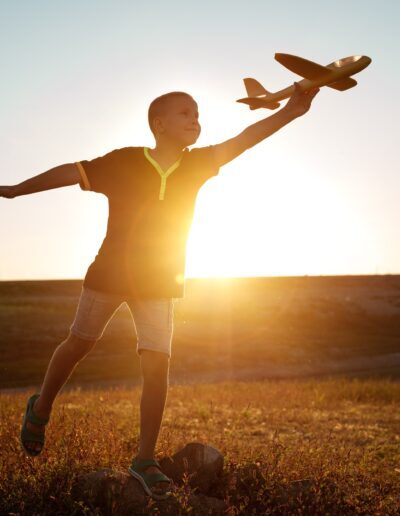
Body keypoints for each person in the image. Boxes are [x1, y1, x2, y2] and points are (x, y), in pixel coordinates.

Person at [0, 82, 319, 499]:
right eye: (185, 113)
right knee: (79, 343)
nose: (195, 120)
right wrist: (15, 190)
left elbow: (245, 138)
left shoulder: (199, 163)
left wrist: (292, 111)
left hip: (159, 281)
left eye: (198, 114)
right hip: (109, 274)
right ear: (159, 124)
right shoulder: (125, 161)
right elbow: (71, 171)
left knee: (157, 366)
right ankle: (40, 408)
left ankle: (144, 459)